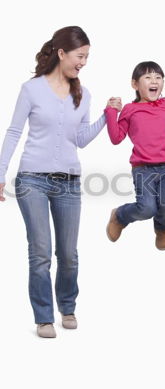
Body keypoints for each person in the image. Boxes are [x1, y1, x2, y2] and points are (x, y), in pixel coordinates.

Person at [0, 26, 110, 338]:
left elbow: (81, 138)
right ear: (61, 53)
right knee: (41, 252)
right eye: (79, 56)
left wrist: (105, 116)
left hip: (70, 183)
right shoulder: (31, 89)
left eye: (87, 57)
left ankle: (68, 306)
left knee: (69, 254)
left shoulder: (83, 94)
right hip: (31, 180)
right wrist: (0, 171)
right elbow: (13, 132)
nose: (83, 62)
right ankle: (44, 317)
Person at [105, 61, 165, 250]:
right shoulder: (130, 110)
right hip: (143, 169)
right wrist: (111, 112)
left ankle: (162, 228)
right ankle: (120, 216)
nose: (154, 81)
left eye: (158, 77)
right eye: (148, 77)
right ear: (135, 84)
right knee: (147, 208)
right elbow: (116, 138)